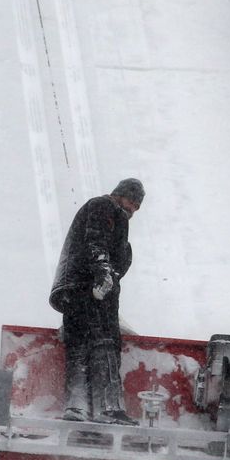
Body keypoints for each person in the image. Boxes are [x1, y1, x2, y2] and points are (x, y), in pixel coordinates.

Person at [49, 178, 145, 426]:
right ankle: (108, 409)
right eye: (132, 202)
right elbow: (97, 241)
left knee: (79, 348)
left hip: (73, 293)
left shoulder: (99, 210)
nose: (133, 210)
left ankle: (76, 406)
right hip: (92, 291)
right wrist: (104, 271)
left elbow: (95, 242)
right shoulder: (106, 207)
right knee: (105, 345)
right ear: (120, 195)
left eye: (137, 206)